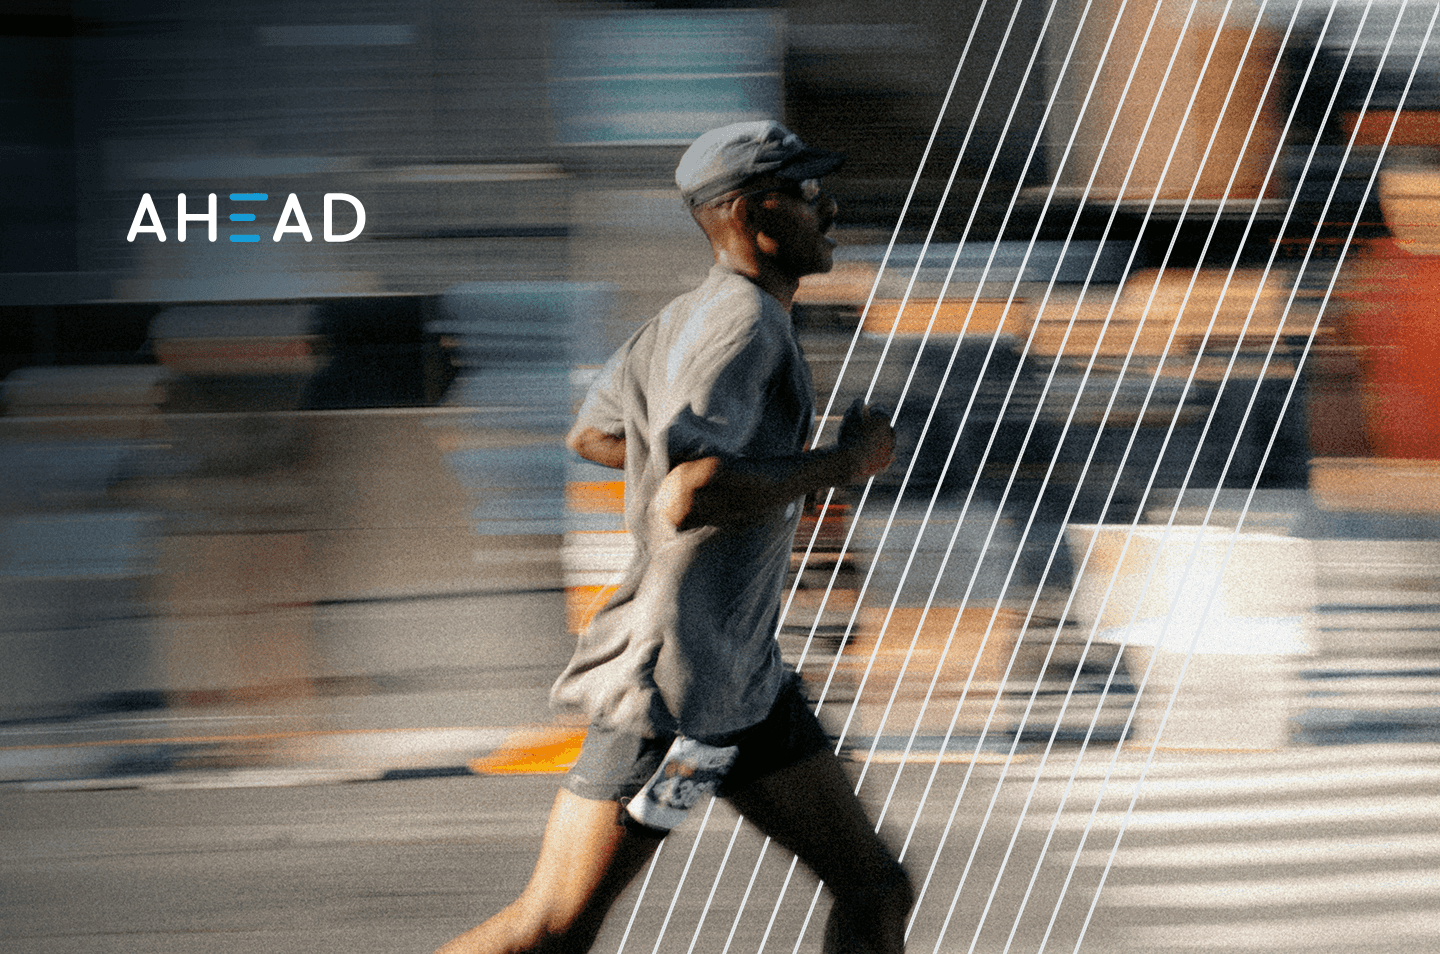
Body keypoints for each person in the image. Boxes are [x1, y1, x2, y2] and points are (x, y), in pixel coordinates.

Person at [435, 120, 913, 954]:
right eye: (806, 193)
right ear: (756, 212)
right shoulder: (745, 327)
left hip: (743, 685)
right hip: (680, 699)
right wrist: (841, 462)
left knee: (873, 885)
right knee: (551, 929)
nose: (826, 207)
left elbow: (592, 434)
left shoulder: (683, 320)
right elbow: (692, 493)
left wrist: (700, 466)